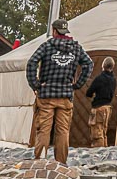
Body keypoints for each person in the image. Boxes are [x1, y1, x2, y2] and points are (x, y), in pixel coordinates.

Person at [26, 18, 93, 165]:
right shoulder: (76, 48)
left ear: (54, 31)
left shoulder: (47, 46)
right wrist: (77, 84)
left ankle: (40, 162)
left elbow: (32, 62)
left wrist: (36, 85)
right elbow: (89, 63)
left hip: (46, 95)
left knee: (44, 129)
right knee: (62, 131)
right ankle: (61, 163)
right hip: (65, 95)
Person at [86, 56, 117, 148]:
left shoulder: (99, 78)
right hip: (108, 107)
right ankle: (104, 151)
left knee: (97, 132)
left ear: (103, 66)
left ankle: (98, 153)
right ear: (112, 66)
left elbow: (89, 92)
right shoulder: (113, 80)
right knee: (103, 131)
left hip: (98, 107)